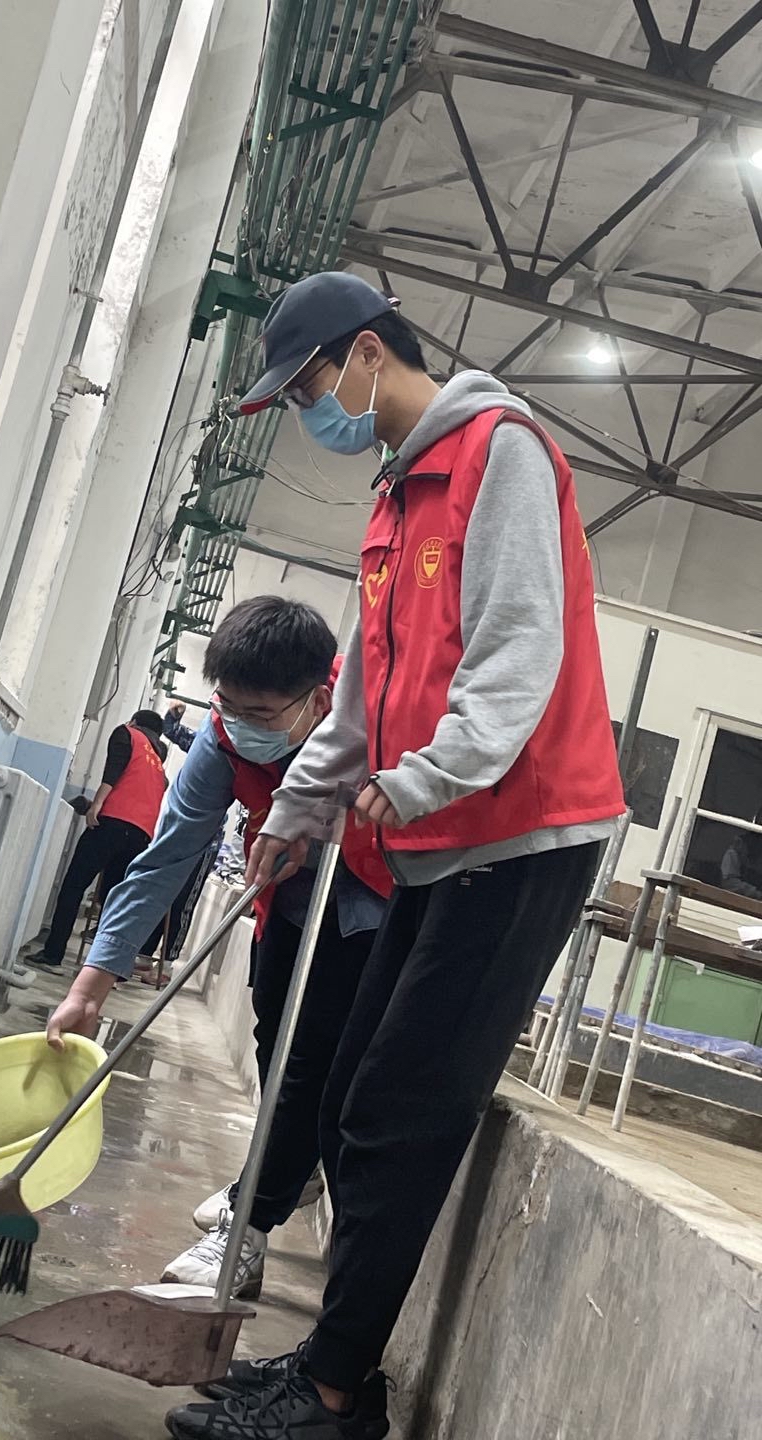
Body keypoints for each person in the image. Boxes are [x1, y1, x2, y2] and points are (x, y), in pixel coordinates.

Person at [165, 271, 625, 1440]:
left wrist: (416, 782)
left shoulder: (498, 453)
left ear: (369, 353)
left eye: (310, 386)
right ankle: (331, 1364)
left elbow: (518, 660)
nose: (311, 412)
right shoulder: (394, 501)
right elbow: (361, 705)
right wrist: (292, 813)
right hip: (437, 838)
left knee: (398, 1112)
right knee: (349, 1100)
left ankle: (333, 1398)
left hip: (520, 837)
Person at [47, 596, 391, 1320]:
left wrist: (328, 821)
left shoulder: (376, 713)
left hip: (371, 899)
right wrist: (90, 987)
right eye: (227, 706)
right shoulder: (222, 741)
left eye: (259, 714)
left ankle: (247, 1228)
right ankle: (289, 1170)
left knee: (314, 1059)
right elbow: (163, 861)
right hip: (285, 897)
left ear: (317, 701)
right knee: (276, 1039)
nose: (239, 726)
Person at [30, 710, 168, 968]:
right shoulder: (158, 760)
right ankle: (101, 966)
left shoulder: (127, 734)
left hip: (111, 824)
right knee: (113, 902)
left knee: (74, 886)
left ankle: (53, 954)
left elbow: (113, 772)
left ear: (134, 722)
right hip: (140, 835)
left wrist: (96, 805)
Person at [135, 704, 227, 981]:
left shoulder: (234, 755)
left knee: (183, 902)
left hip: (207, 841)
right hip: (180, 832)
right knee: (162, 894)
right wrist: (173, 715)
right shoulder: (206, 744)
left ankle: (167, 964)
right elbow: (173, 731)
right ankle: (144, 955)